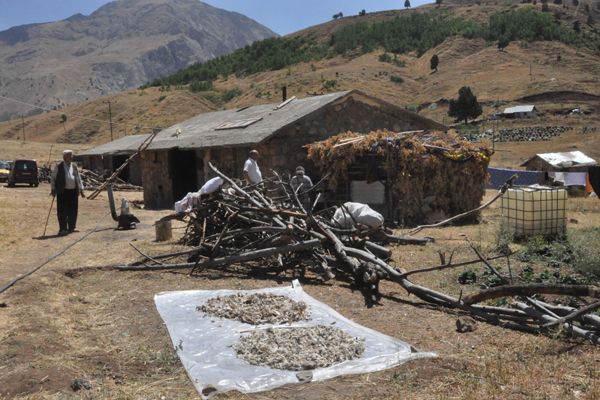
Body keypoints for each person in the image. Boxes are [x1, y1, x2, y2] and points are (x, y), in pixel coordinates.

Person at [50, 150, 85, 236]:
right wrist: (53, 189)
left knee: (73, 210)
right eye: (70, 156)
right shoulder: (59, 166)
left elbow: (78, 178)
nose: (71, 157)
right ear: (65, 157)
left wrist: (81, 189)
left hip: (73, 191)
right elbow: (53, 178)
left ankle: (72, 227)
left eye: (71, 156)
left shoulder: (74, 166)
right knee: (62, 211)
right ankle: (63, 229)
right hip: (62, 192)